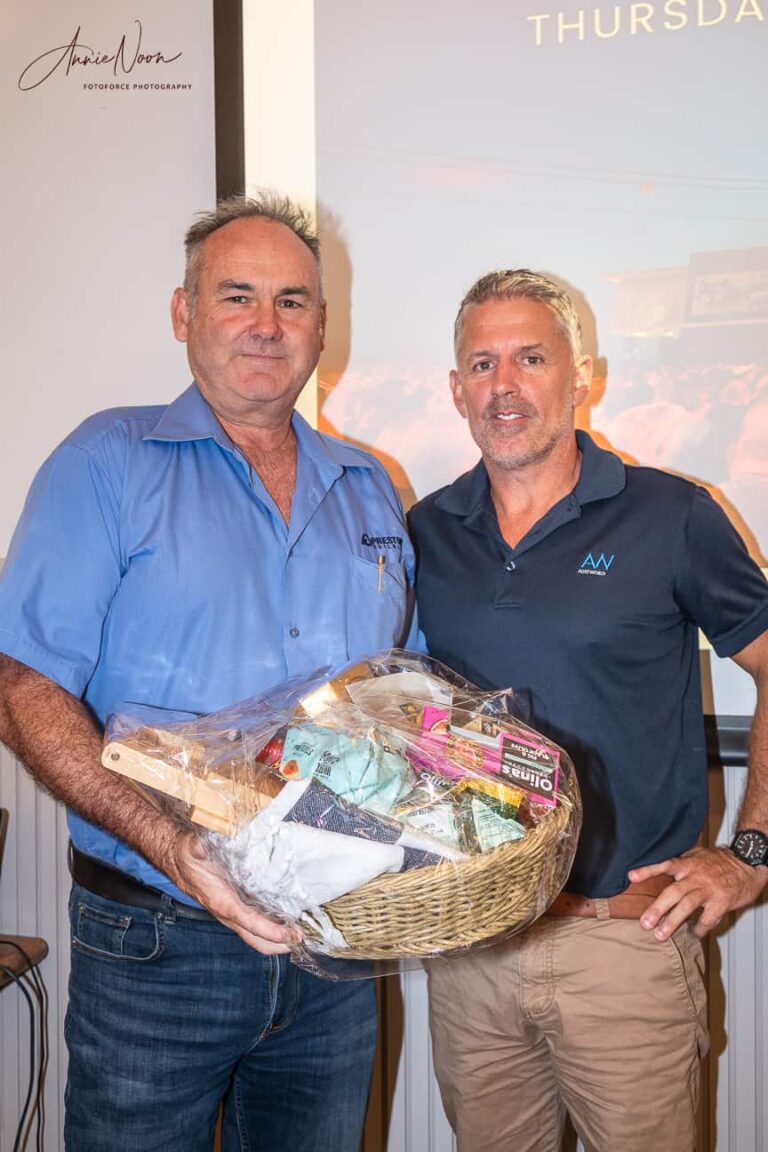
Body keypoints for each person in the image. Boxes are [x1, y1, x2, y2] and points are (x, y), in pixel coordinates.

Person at [0, 192, 416, 1152]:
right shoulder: (106, 462)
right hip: (159, 944)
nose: (267, 325)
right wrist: (171, 843)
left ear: (322, 326)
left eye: (293, 301)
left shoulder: (370, 486)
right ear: (184, 313)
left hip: (336, 945)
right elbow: (22, 688)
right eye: (237, 296)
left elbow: (401, 702)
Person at [407, 269, 768, 1152]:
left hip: (625, 943)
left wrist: (751, 855)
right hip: (474, 945)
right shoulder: (426, 532)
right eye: (483, 364)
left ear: (583, 375)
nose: (505, 385)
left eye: (531, 358)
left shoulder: (672, 516)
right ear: (455, 389)